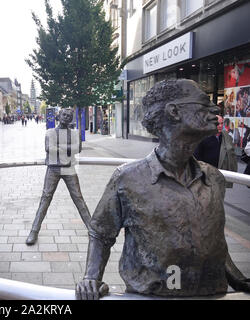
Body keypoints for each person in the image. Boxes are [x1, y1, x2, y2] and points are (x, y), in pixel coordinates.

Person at [76, 79, 250, 299]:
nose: (215, 108)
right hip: (153, 295)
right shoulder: (127, 179)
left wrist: (237, 278)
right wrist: (92, 278)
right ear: (174, 111)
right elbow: (101, 234)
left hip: (211, 294)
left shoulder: (213, 178)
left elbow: (214, 239)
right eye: (204, 103)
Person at [26, 108, 91, 245]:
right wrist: (67, 148)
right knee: (46, 198)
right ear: (58, 116)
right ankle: (34, 231)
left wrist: (60, 146)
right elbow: (49, 148)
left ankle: (92, 230)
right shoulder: (50, 132)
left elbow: (77, 149)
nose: (66, 117)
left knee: (78, 198)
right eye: (64, 115)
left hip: (69, 169)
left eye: (69, 116)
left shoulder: (74, 133)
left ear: (71, 119)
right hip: (53, 169)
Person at [194, 115, 237, 188]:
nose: (220, 126)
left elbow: (231, 154)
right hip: (206, 174)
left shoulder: (225, 137)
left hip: (220, 173)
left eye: (222, 123)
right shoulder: (203, 137)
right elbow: (196, 157)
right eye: (217, 124)